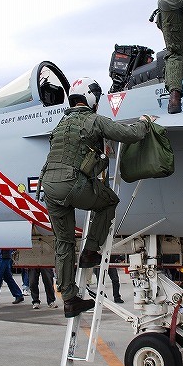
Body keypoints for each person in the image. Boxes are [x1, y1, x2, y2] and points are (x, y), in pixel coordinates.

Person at [40, 77, 154, 318]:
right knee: (109, 201)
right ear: (91, 98)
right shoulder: (93, 120)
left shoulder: (60, 124)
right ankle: (90, 251)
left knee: (63, 242)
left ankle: (69, 299)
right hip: (72, 183)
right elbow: (129, 134)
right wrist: (144, 122)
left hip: (49, 186)